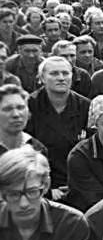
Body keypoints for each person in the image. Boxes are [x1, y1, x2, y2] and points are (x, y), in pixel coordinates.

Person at [26, 56, 90, 194]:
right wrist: (49, 188)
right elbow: (27, 150)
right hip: (41, 182)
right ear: (42, 78)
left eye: (65, 73)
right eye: (54, 74)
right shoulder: (29, 105)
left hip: (80, 181)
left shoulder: (85, 106)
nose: (61, 78)